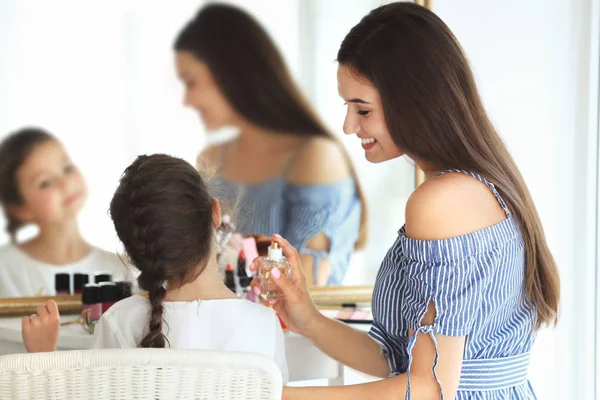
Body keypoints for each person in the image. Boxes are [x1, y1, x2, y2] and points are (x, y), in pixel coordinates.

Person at [252, 3, 560, 399]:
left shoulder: (439, 203)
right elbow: (398, 361)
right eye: (347, 107)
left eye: (362, 109)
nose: (349, 126)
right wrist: (307, 318)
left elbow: (430, 388)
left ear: (414, 100)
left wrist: (267, 394)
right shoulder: (481, 184)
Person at [22, 154, 289, 383]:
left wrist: (45, 356)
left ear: (137, 251)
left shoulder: (120, 322)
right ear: (216, 212)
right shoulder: (263, 325)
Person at [174, 3, 367, 286]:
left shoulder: (315, 156)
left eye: (190, 82)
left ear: (231, 72)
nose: (186, 101)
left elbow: (305, 291)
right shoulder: (210, 159)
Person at [0, 127, 130, 298]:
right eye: (45, 182)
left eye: (67, 168)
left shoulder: (121, 268)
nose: (64, 183)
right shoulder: (5, 270)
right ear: (20, 209)